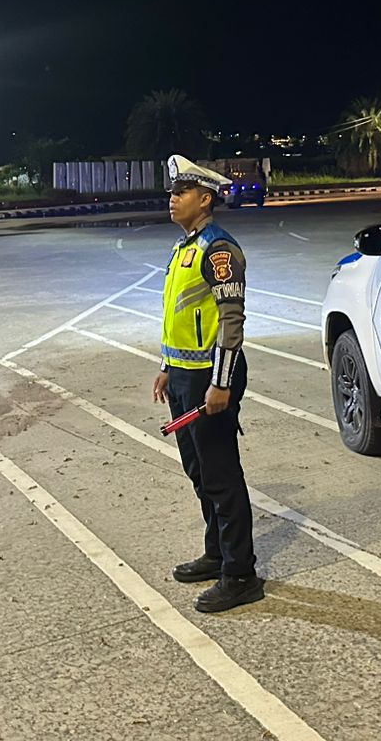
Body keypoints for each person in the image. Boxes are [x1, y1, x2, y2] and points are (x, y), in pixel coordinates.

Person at [151, 154, 262, 613]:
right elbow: (178, 315)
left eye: (182, 192)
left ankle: (241, 574)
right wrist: (166, 366)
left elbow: (231, 321)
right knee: (198, 471)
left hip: (211, 379)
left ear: (205, 199)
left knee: (221, 475)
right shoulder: (184, 248)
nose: (173, 199)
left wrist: (221, 384)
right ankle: (216, 554)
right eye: (173, 192)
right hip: (183, 375)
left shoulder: (219, 249)